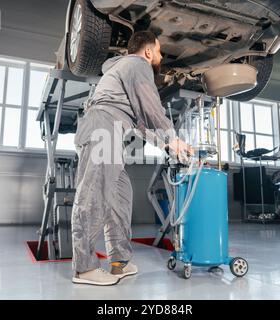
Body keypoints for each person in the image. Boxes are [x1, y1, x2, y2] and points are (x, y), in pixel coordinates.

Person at [71, 31, 192, 286]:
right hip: (103, 127)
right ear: (148, 51)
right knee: (93, 196)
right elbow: (151, 107)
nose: (159, 57)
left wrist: (169, 145)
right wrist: (172, 137)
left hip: (112, 130)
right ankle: (84, 268)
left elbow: (141, 123)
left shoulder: (124, 69)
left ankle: (119, 263)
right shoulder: (138, 64)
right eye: (158, 51)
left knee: (120, 197)